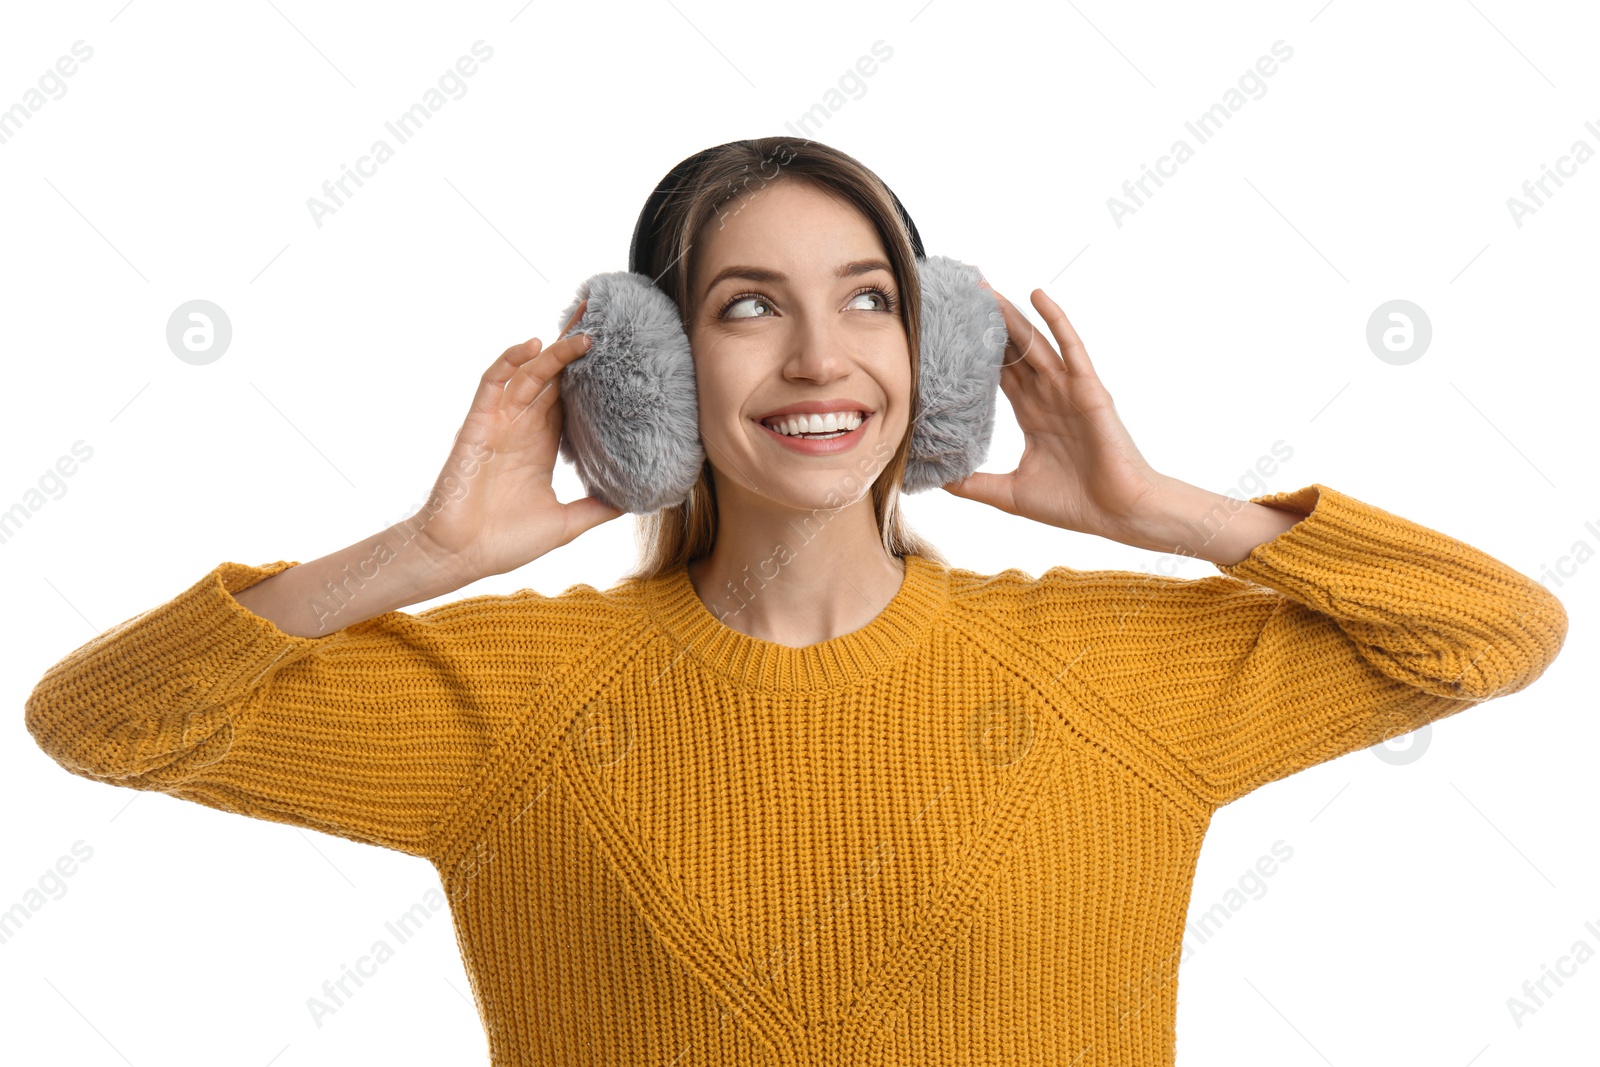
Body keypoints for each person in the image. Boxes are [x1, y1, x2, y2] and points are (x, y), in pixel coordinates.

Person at [25, 137, 1568, 1066]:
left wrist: (1164, 509)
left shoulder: (1106, 674)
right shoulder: (509, 699)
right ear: (645, 371)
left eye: (871, 301)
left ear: (936, 362)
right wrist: (427, 558)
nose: (823, 360)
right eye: (748, 307)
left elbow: (1497, 631)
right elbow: (93, 724)